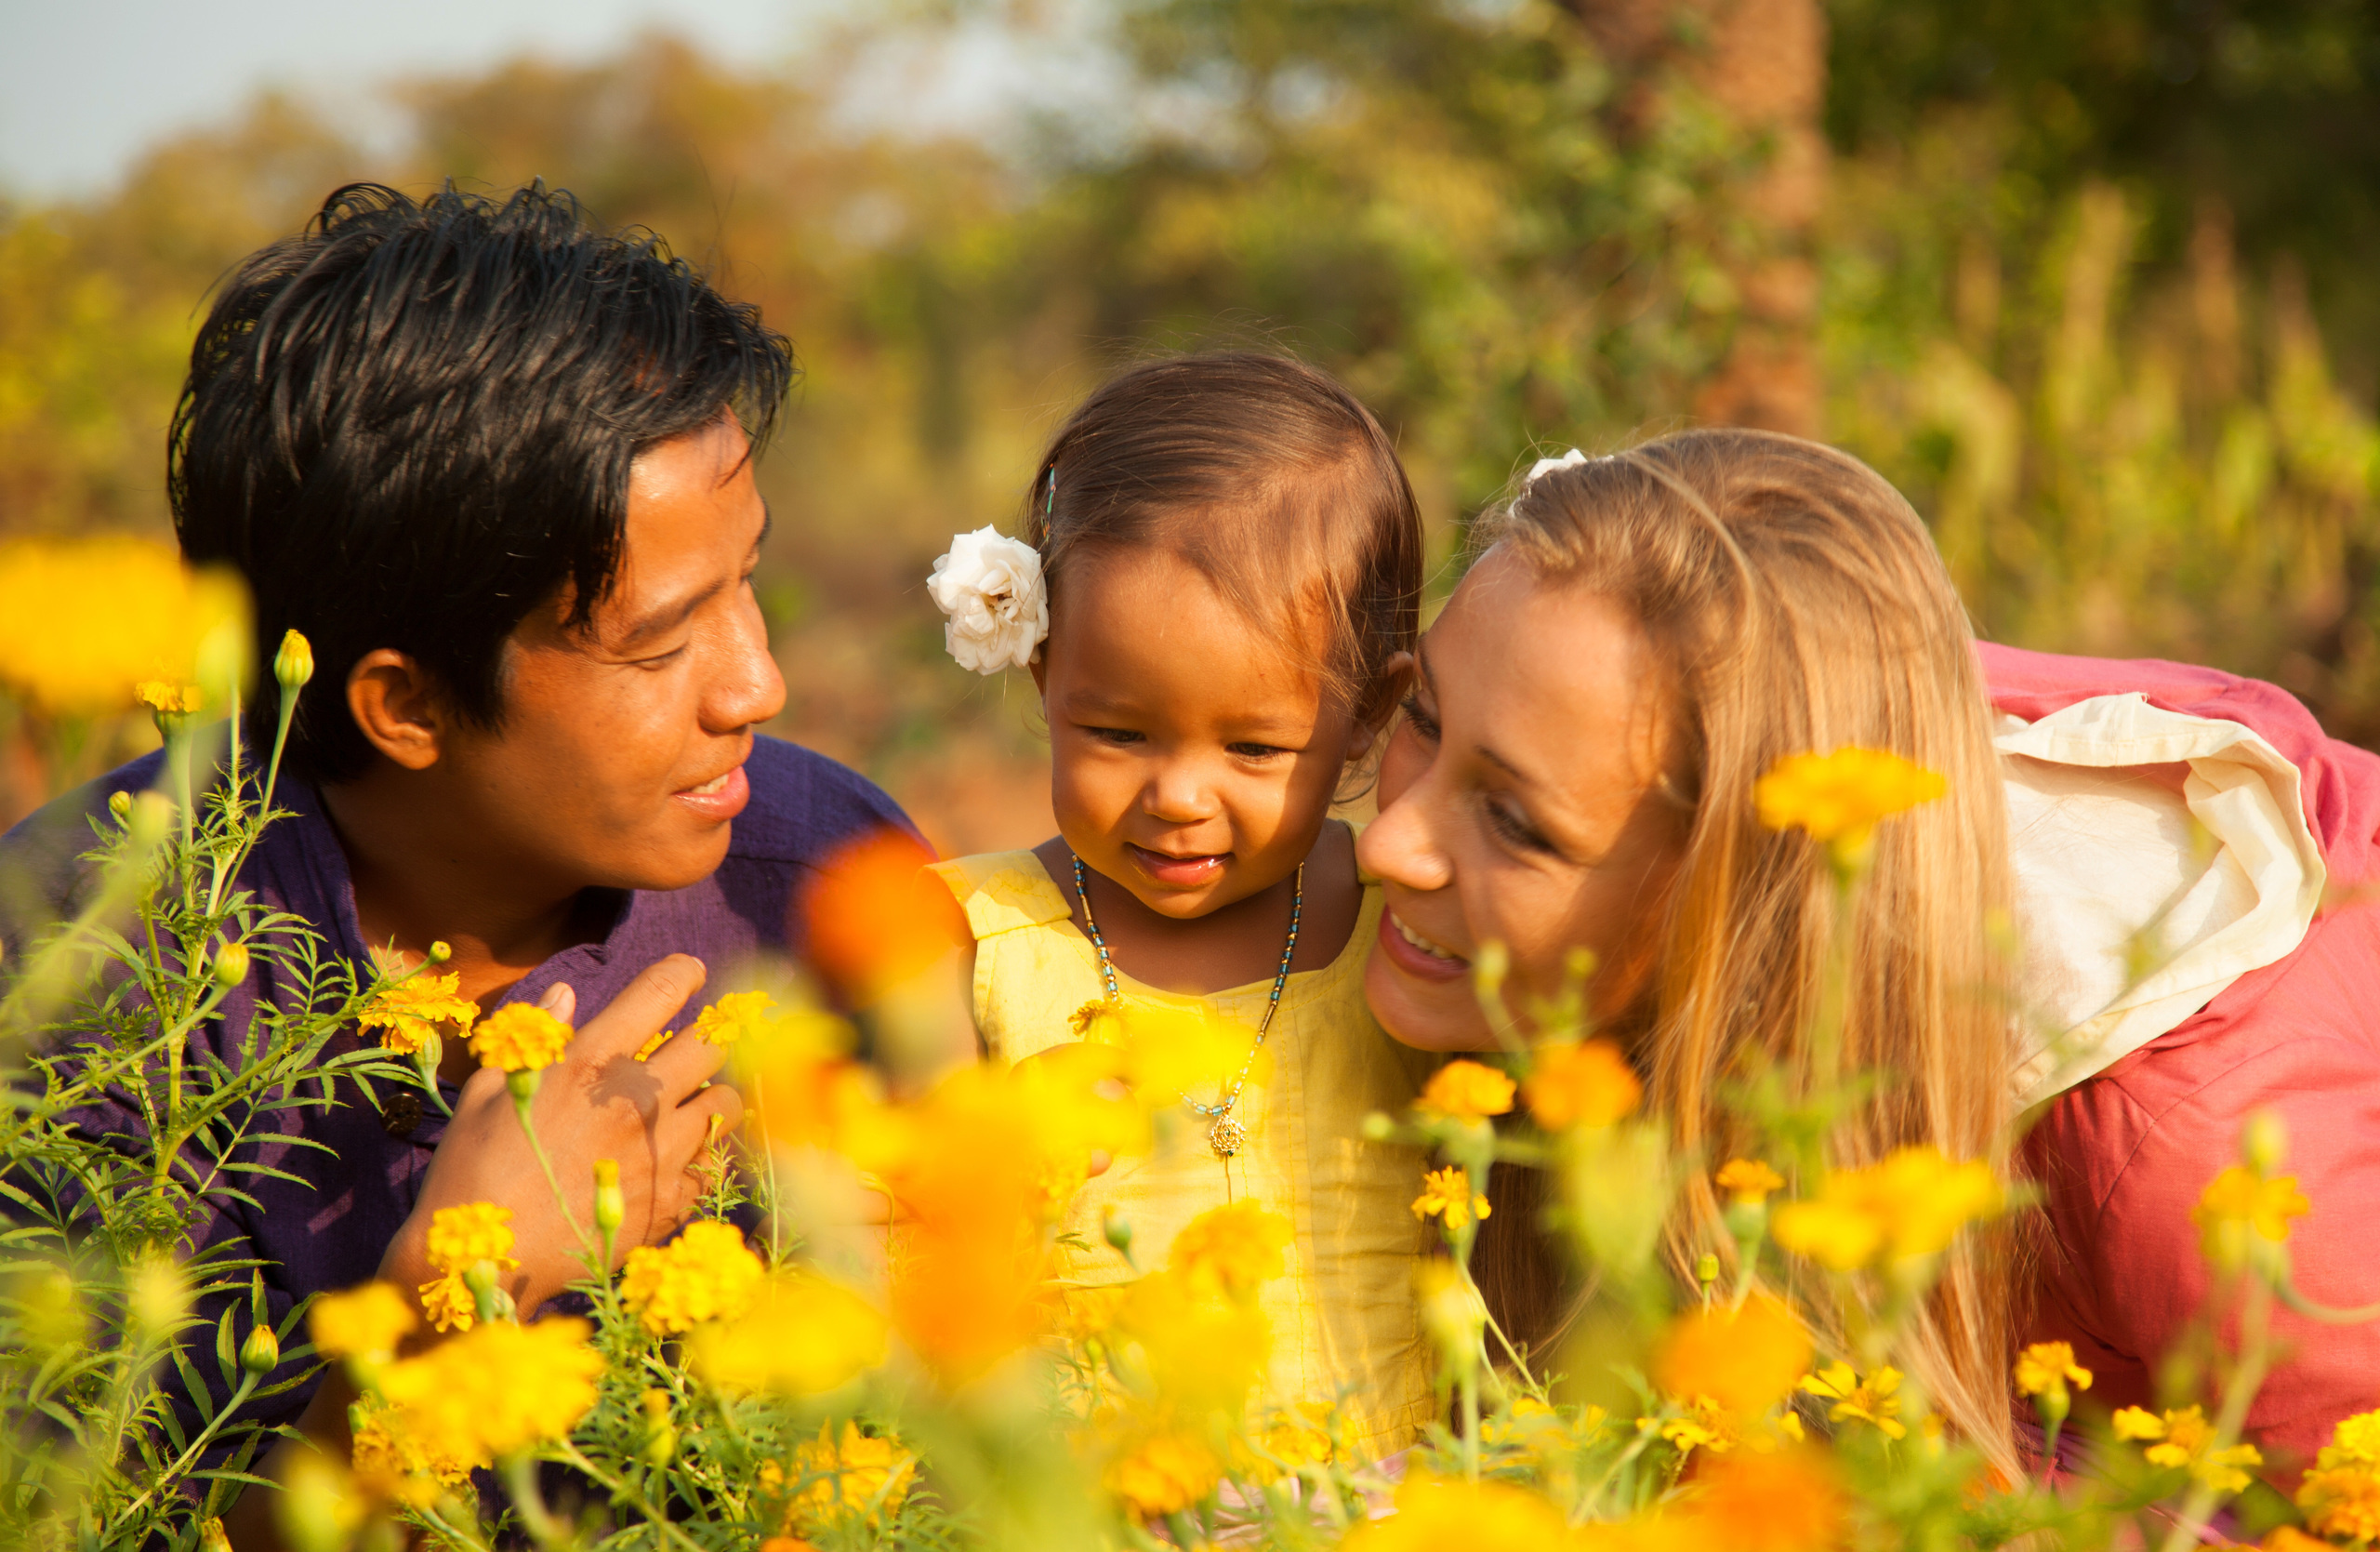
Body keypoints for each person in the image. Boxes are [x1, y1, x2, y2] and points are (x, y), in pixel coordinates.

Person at [0, 184, 926, 1511]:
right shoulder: (84, 963)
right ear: (406, 705)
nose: (757, 686)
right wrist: (441, 1306)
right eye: (660, 642)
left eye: (750, 581)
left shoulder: (831, 883)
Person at [1355, 427, 2380, 1483]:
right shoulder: (1691, 683)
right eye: (1421, 717)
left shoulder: (2188, 1148)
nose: (1387, 845)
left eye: (1517, 824)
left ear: (1746, 892)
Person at [921, 353, 1442, 1457]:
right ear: (1039, 669)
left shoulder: (1405, 918)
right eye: (1117, 732)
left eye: (1255, 746)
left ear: (1369, 714)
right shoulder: (975, 943)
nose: (1177, 798)